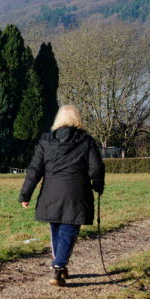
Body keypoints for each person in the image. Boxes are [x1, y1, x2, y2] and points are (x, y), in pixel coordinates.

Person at [19, 105, 105, 287]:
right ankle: (58, 267)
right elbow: (96, 168)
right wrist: (98, 185)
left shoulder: (45, 140)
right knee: (68, 230)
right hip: (77, 193)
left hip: (51, 192)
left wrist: (25, 194)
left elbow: (35, 169)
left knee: (56, 228)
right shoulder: (86, 140)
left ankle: (60, 264)